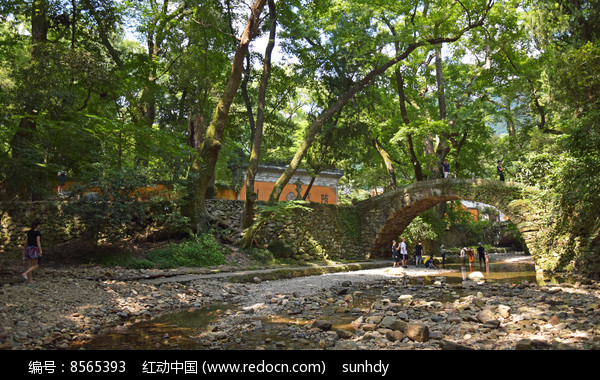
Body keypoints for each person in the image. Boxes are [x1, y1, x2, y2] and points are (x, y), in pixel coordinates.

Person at [22, 219, 42, 283]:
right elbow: (38, 242)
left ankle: (30, 280)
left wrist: (24, 249)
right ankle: (25, 273)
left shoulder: (29, 232)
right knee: (36, 264)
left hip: (28, 248)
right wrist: (40, 250)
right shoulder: (37, 233)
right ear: (38, 225)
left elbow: (26, 242)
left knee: (30, 265)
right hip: (34, 249)